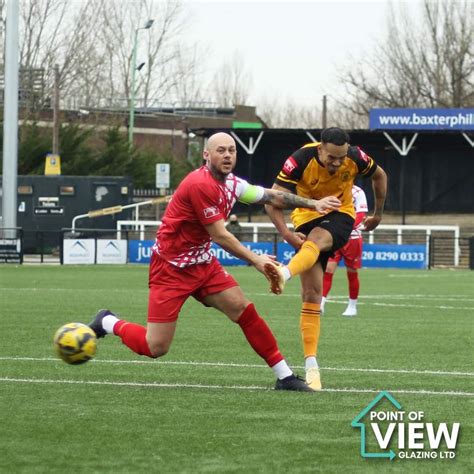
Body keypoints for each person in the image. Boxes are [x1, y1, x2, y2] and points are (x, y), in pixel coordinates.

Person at [88, 132, 340, 392]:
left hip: (202, 263)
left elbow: (271, 196)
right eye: (220, 150)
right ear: (206, 155)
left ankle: (285, 377)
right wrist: (255, 259)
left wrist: (313, 203)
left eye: (231, 150)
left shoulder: (233, 184)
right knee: (156, 347)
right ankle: (108, 322)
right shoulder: (200, 184)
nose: (227, 155)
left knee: (244, 310)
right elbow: (219, 235)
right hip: (171, 268)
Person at [263, 127, 387, 391]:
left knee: (317, 239)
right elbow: (272, 198)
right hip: (304, 218)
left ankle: (283, 273)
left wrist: (378, 213)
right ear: (320, 149)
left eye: (341, 158)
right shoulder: (300, 159)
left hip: (341, 215)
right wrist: (285, 232)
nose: (337, 162)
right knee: (312, 295)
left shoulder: (356, 157)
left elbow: (380, 175)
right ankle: (311, 366)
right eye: (332, 157)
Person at [321, 185, 368, 317]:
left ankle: (352, 307)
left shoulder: (358, 192)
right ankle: (321, 303)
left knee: (351, 271)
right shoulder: (331, 188)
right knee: (328, 270)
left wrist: (346, 228)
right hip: (333, 236)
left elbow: (361, 213)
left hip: (352, 238)